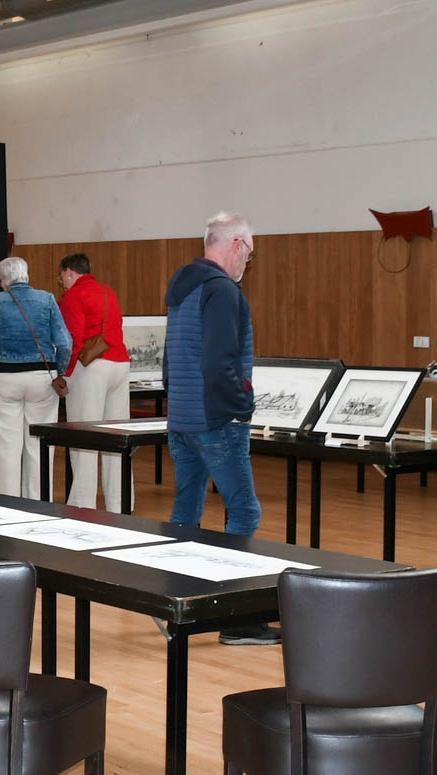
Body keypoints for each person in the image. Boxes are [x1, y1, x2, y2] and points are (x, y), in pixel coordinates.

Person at [164, 210, 277, 645]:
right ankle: (236, 618)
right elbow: (219, 363)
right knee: (245, 511)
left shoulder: (183, 285)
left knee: (187, 511)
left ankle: (175, 607)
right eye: (249, 253)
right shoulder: (224, 291)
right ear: (235, 245)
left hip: (183, 417)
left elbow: (172, 359)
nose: (248, 261)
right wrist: (243, 405)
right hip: (217, 418)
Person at [0, 256, 72, 499]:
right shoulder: (47, 299)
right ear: (26, 276)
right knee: (39, 444)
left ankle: (6, 503)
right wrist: (58, 371)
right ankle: (39, 503)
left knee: (5, 447)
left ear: (3, 281)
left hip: (1, 377)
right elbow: (64, 343)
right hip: (41, 377)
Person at [58, 252, 130, 510]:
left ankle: (82, 504)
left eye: (62, 277)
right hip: (120, 364)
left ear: (69, 272)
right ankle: (119, 503)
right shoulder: (108, 292)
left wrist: (64, 373)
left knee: (84, 437)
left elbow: (73, 339)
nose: (61, 282)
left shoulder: (74, 295)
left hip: (92, 368)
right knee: (116, 438)